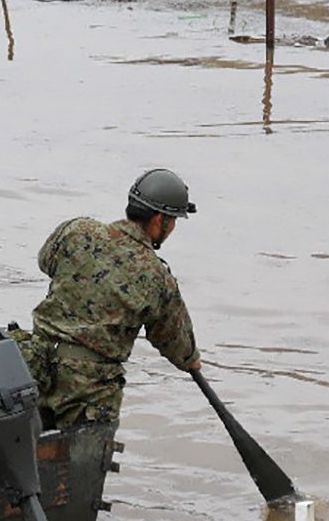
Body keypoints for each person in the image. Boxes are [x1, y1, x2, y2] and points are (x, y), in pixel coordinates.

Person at [17, 168, 203, 427]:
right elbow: (172, 337)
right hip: (90, 388)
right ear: (159, 219)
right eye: (173, 220)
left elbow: (46, 262)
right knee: (79, 465)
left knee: (31, 451)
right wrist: (191, 360)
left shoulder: (77, 230)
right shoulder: (156, 275)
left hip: (33, 366)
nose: (172, 227)